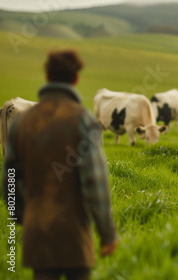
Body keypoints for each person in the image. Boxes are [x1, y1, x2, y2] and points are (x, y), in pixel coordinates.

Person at [2, 50, 118, 280]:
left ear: (47, 76)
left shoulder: (22, 122)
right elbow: (95, 181)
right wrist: (107, 233)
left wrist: (21, 215)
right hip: (74, 233)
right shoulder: (83, 120)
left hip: (37, 231)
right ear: (75, 79)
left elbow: (10, 179)